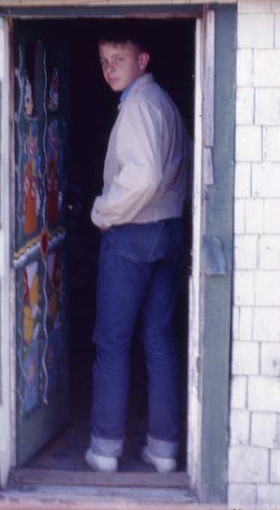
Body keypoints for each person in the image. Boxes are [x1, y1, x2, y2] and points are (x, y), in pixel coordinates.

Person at [85, 30, 191, 474]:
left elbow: (143, 176)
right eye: (104, 59)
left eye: (119, 58)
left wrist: (102, 212)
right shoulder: (163, 103)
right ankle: (163, 449)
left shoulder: (139, 107)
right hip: (166, 231)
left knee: (112, 343)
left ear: (142, 59)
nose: (109, 67)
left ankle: (106, 450)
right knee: (159, 341)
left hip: (131, 235)